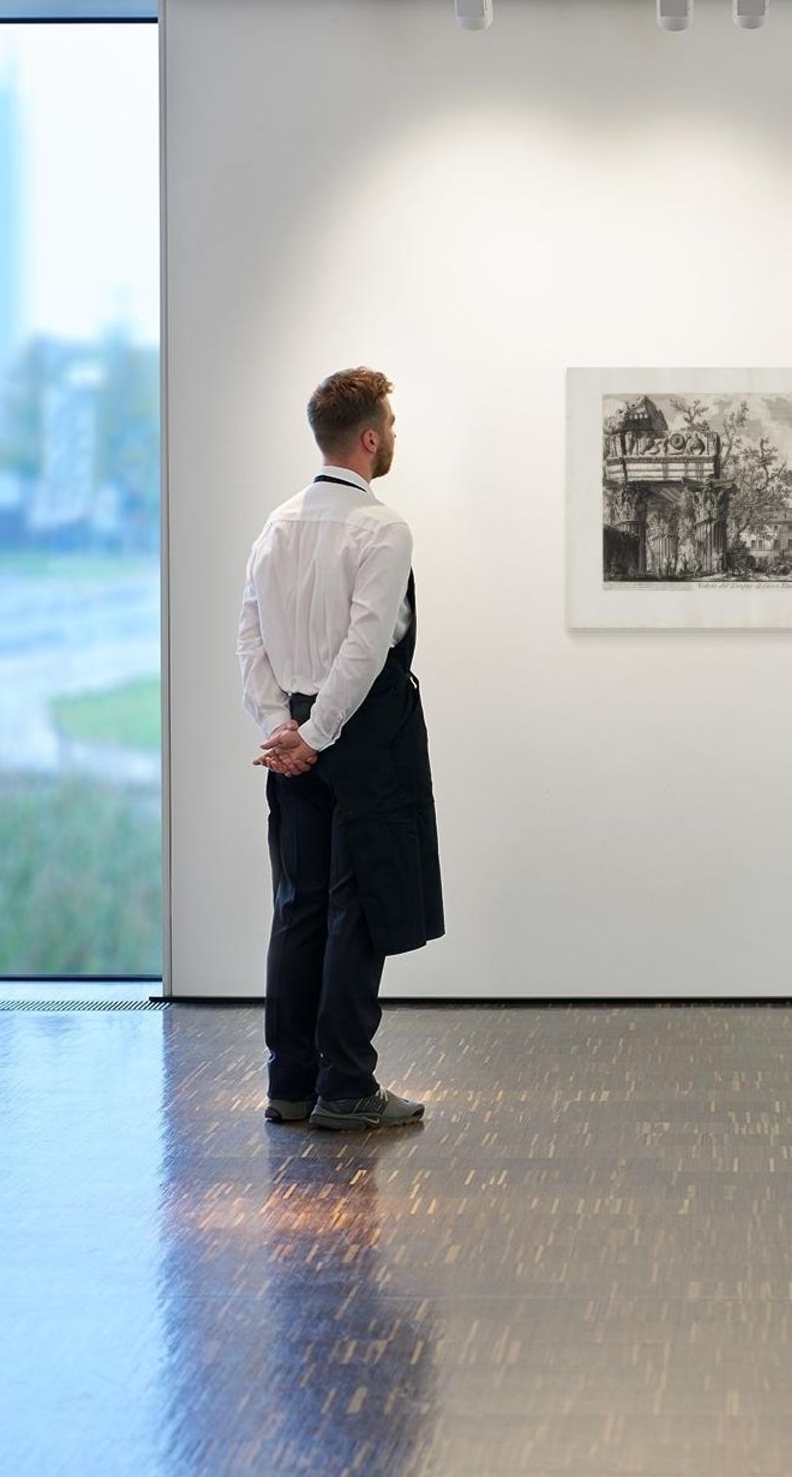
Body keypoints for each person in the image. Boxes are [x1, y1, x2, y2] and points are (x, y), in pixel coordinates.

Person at [235, 366, 445, 1130]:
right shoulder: (383, 528)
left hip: (295, 733)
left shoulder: (277, 524)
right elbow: (364, 650)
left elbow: (250, 637)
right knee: (357, 909)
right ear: (368, 438)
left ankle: (291, 1083)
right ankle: (348, 1086)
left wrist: (280, 730)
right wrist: (318, 735)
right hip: (357, 736)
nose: (394, 436)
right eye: (390, 425)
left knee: (298, 907)